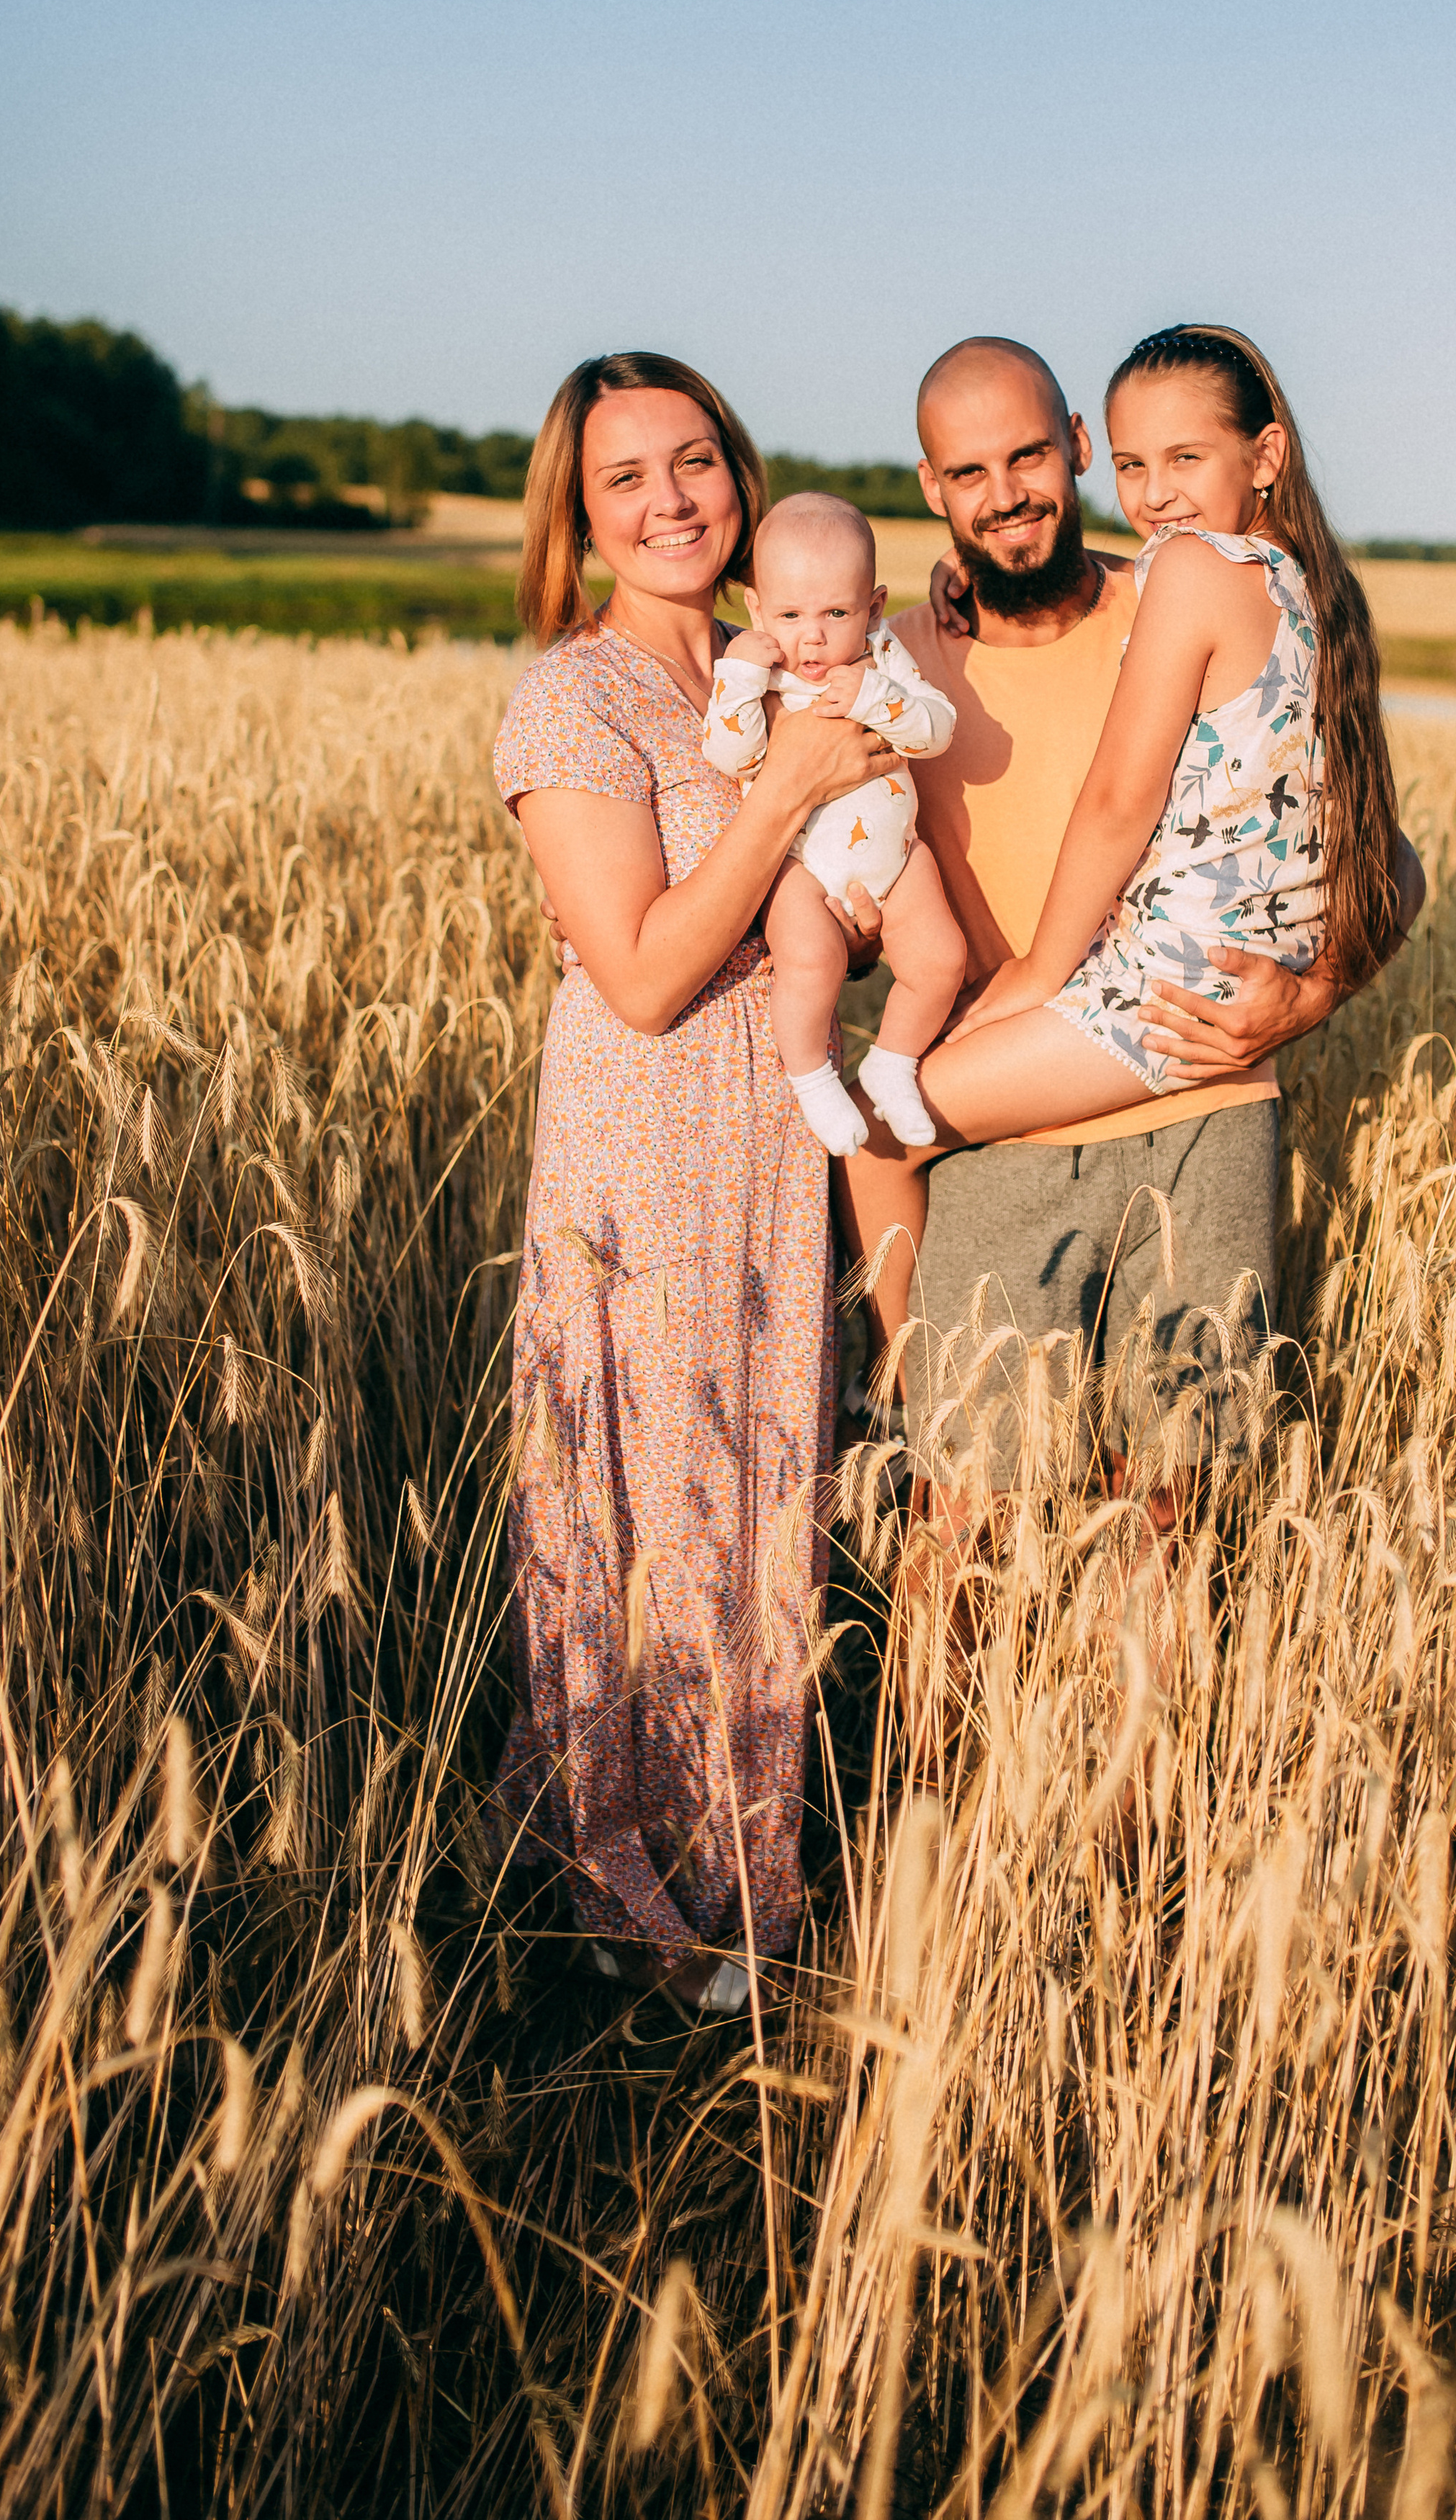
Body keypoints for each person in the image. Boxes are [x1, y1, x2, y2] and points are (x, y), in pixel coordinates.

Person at [490, 351, 900, 2015]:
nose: (669, 502)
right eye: (624, 480)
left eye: (694, 462)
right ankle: (619, 1874)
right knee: (646, 1488)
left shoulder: (774, 658)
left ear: (737, 471)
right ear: (577, 515)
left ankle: (746, 1859)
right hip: (641, 1139)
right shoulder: (567, 700)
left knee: (753, 1481)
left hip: (764, 1133)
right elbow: (647, 971)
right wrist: (795, 786)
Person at [836, 332, 1425, 1486]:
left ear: (1072, 448)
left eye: (1027, 459)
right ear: (934, 493)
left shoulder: (1174, 582)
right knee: (970, 1525)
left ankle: (888, 1399)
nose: (1005, 498)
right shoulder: (902, 658)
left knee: (1166, 1510)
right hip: (1046, 1115)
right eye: (969, 476)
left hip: (1184, 1074)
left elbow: (1381, 861)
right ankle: (905, 1396)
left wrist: (1303, 1001)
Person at [701, 493, 963, 1157]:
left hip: (899, 859)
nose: (811, 637)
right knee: (810, 960)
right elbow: (731, 756)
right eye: (789, 614)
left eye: (836, 613)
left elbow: (936, 730)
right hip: (799, 867)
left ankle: (892, 1064)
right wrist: (737, 681)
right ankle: (813, 1079)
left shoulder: (881, 657)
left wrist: (877, 696)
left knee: (942, 961)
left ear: (873, 608)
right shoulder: (760, 673)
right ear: (757, 609)